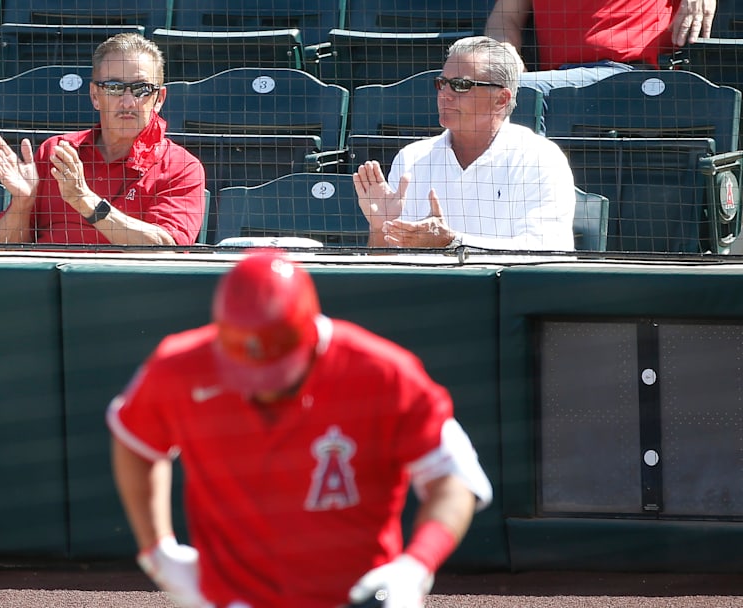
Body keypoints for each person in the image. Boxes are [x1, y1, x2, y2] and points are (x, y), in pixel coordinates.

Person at [106, 250, 493, 608]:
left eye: (277, 374)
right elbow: (135, 441)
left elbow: (454, 478)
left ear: (310, 335)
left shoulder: (383, 373)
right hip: (234, 599)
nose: (261, 387)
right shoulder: (180, 366)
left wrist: (414, 568)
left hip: (355, 598)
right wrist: (156, 552)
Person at [354, 36, 576, 251]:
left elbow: (547, 251)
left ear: (501, 99)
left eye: (461, 85)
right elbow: (385, 266)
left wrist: (453, 243)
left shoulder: (539, 157)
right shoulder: (411, 158)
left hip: (510, 289)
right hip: (424, 289)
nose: (445, 95)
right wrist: (379, 229)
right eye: (442, 83)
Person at [0, 33, 206, 246]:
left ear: (159, 99)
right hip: (47, 280)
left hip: (127, 283)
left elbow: (168, 249)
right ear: (94, 96)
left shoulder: (181, 166)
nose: (128, 102)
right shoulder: (57, 151)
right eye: (114, 88)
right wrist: (23, 203)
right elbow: (6, 248)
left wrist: (85, 201)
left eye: (141, 89)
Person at [484, 0, 718, 95]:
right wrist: (506, 53)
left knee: (520, 92)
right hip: (558, 82)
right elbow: (504, 20)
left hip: (631, 77)